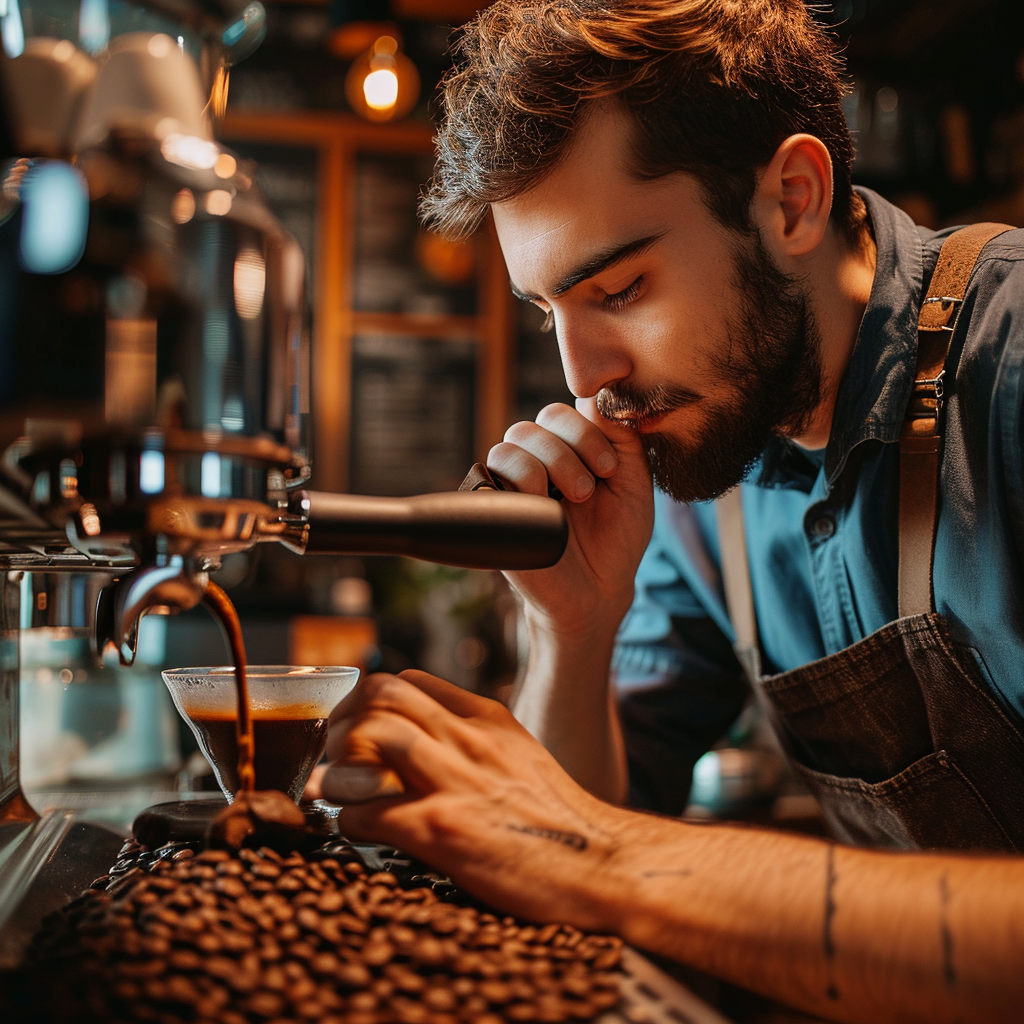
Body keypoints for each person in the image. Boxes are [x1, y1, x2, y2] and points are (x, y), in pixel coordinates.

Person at [307, 2, 1024, 1021]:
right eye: (549, 312)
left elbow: (590, 847)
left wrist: (608, 858)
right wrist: (573, 623)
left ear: (791, 200)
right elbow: (572, 860)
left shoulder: (1011, 372)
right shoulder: (704, 469)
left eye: (621, 287)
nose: (585, 377)